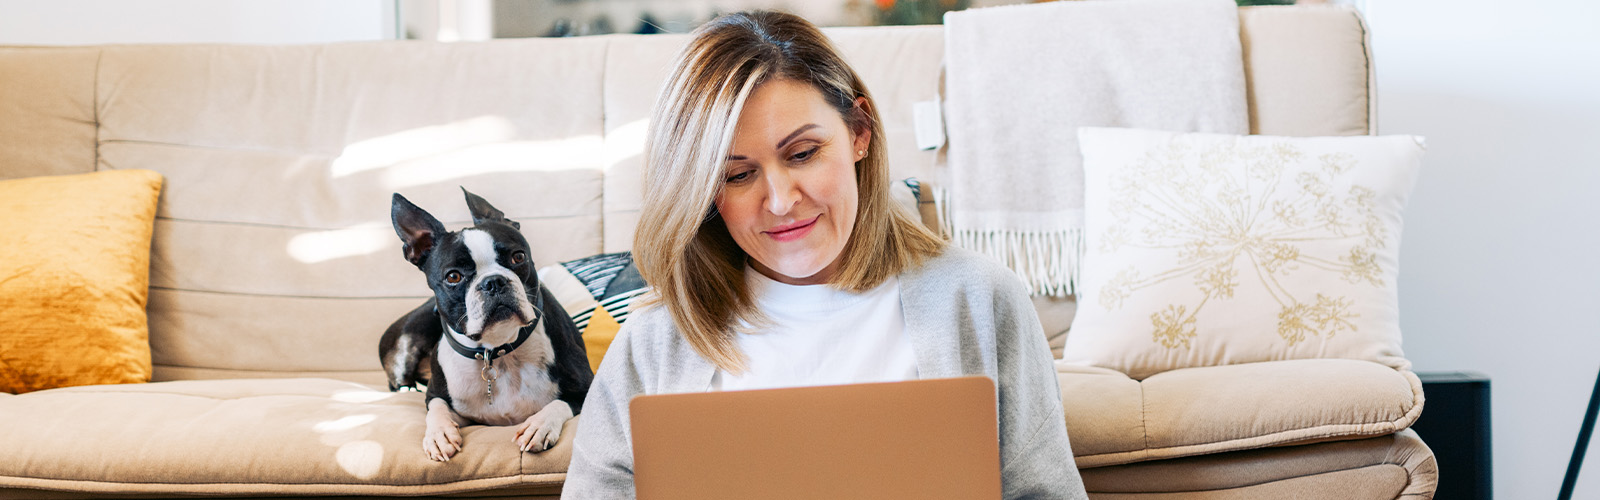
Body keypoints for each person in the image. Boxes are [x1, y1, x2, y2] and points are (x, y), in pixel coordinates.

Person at [563, 10, 1087, 500]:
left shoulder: (977, 299)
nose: (782, 200)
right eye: (737, 175)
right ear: (704, 192)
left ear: (859, 132)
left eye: (803, 153)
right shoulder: (658, 337)